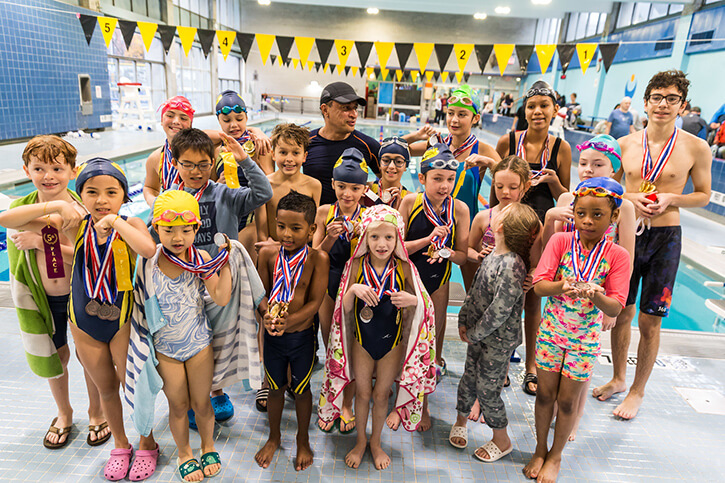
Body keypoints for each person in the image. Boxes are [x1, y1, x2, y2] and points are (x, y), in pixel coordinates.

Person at [4, 158, 159, 480]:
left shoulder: (133, 224)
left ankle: (147, 442)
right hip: (83, 321)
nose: (101, 200)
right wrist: (60, 204)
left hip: (123, 320)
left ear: (123, 195)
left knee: (135, 386)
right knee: (105, 389)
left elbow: (146, 250)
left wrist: (116, 223)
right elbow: (7, 218)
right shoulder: (70, 224)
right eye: (91, 192)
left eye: (111, 192)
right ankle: (120, 444)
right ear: (81, 195)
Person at [599, 70, 712, 420]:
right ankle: (618, 378)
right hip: (627, 238)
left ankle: (637, 390)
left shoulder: (696, 147)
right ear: (646, 103)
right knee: (621, 312)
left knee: (650, 321)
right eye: (657, 97)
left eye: (671, 98)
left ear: (682, 105)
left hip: (666, 239)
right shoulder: (624, 144)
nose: (663, 104)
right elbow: (605, 190)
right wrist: (632, 195)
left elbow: (704, 195)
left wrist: (671, 198)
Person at [0, 136, 109, 450]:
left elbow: (91, 257)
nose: (48, 176)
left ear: (72, 171)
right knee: (56, 357)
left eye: (57, 168)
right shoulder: (24, 208)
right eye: (39, 168)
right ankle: (63, 412)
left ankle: (96, 411)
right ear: (26, 170)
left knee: (90, 358)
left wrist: (42, 243)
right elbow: (3, 218)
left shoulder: (82, 209)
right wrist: (54, 205)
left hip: (79, 295)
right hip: (42, 300)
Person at [162, 128, 272, 427]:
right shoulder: (171, 200)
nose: (196, 171)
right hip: (185, 285)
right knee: (193, 343)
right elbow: (155, 236)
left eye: (203, 164)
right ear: (175, 164)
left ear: (213, 163)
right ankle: (193, 398)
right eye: (188, 164)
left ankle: (217, 391)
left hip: (221, 281)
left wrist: (245, 161)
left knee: (219, 342)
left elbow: (264, 192)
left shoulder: (225, 194)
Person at [523, 177, 630, 482]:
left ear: (614, 217)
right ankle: (540, 449)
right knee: (544, 396)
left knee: (567, 401)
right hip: (551, 334)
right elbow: (540, 287)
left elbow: (615, 308)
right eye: (581, 213)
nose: (587, 221)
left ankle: (555, 457)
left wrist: (597, 295)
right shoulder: (560, 242)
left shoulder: (617, 256)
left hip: (584, 340)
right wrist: (562, 285)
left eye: (597, 214)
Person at [318, 205, 436, 468]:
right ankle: (361, 441)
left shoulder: (405, 268)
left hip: (392, 345)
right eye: (374, 237)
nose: (381, 244)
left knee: (382, 395)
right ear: (364, 238)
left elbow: (426, 307)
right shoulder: (356, 265)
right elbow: (343, 310)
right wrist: (353, 291)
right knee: (362, 393)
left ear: (398, 239)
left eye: (388, 237)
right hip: (362, 343)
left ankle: (376, 442)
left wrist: (413, 299)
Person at [543, 134, 636, 440]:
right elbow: (550, 250)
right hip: (564, 298)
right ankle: (558, 410)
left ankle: (577, 415)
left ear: (614, 168)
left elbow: (627, 257)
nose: (588, 169)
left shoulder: (623, 206)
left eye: (598, 164)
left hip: (596, 300)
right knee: (556, 371)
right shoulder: (567, 200)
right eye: (583, 163)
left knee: (582, 367)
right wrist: (551, 217)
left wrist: (612, 307)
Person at [147, 190, 232, 481]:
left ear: (196, 228)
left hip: (198, 344)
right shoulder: (148, 262)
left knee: (202, 404)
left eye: (186, 230)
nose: (177, 238)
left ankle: (208, 446)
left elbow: (220, 297)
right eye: (168, 230)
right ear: (156, 228)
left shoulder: (201, 257)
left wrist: (229, 263)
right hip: (165, 348)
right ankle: (185, 453)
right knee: (178, 405)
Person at [496, 79, 572, 397]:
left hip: (542, 232)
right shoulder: (508, 141)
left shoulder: (560, 148)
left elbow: (567, 198)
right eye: (532, 106)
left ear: (554, 110)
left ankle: (530, 366)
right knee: (502, 298)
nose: (538, 111)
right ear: (524, 111)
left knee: (533, 300)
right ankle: (500, 363)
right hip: (510, 228)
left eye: (544, 105)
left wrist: (553, 180)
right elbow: (496, 189)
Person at [449, 203, 540, 463]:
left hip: (498, 342)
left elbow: (500, 310)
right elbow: (474, 292)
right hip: (479, 335)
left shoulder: (512, 265)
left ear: (499, 226)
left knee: (488, 391)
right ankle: (461, 420)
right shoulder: (491, 256)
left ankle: (502, 439)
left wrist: (475, 332)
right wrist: (464, 319)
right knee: (469, 379)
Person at [255, 191, 329, 471]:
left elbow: (314, 303)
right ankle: (273, 437)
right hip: (273, 336)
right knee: (274, 388)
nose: (287, 234)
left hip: (301, 338)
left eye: (296, 228)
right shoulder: (268, 253)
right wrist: (266, 316)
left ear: (311, 229)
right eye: (282, 226)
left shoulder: (317, 259)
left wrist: (290, 321)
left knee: (301, 389)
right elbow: (260, 294)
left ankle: (302, 439)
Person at [398, 143, 470, 430]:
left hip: (438, 283)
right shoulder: (409, 202)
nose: (444, 186)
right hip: (408, 279)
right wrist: (429, 240)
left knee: (433, 344)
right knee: (405, 338)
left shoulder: (460, 209)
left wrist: (447, 252)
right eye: (437, 179)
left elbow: (463, 256)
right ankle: (403, 396)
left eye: (450, 180)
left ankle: (423, 404)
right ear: (423, 178)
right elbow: (397, 248)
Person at [409, 85, 500, 290]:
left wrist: (488, 162)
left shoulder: (482, 149)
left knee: (474, 290)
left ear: (475, 118)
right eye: (450, 113)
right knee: (424, 284)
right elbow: (396, 151)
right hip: (432, 225)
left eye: (462, 114)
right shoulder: (436, 144)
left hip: (468, 230)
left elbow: (512, 178)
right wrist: (416, 135)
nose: (454, 120)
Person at [313, 147, 369, 433]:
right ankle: (331, 402)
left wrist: (362, 238)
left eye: (355, 187)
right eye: (342, 186)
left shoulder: (369, 216)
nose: (348, 193)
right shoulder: (325, 212)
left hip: (356, 287)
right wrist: (329, 239)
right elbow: (314, 255)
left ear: (365, 188)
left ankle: (346, 403)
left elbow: (379, 256)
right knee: (332, 349)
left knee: (354, 349)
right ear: (333, 184)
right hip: (327, 285)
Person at [213, 90, 274, 256]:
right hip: (224, 218)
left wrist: (264, 233)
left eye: (239, 119)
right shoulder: (216, 150)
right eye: (226, 120)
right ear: (218, 120)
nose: (234, 125)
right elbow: (209, 187)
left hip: (251, 220)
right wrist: (218, 184)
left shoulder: (258, 145)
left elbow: (269, 191)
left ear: (246, 118)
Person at [305, 82, 381, 206]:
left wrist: (365, 188)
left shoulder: (367, 145)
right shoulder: (306, 142)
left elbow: (389, 176)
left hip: (352, 222)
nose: (354, 114)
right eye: (346, 108)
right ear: (325, 110)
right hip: (313, 220)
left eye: (355, 108)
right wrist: (260, 133)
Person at [255, 123, 322, 250]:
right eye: (283, 152)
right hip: (271, 253)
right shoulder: (265, 185)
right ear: (273, 154)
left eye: (296, 153)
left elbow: (312, 231)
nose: (289, 159)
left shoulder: (314, 185)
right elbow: (262, 237)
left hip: (300, 252)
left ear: (304, 156)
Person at [366, 137, 411, 211]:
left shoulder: (410, 199)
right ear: (379, 164)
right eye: (386, 160)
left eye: (398, 162)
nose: (391, 166)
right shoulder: (366, 190)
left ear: (406, 166)